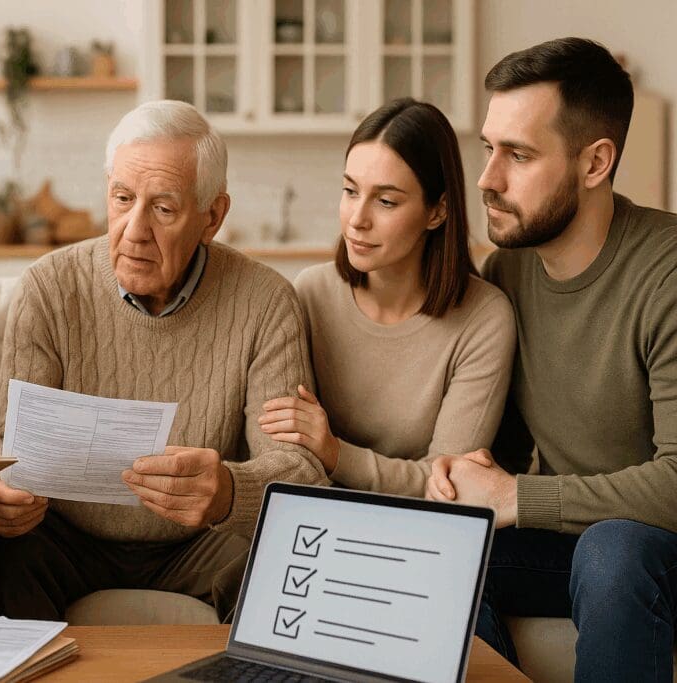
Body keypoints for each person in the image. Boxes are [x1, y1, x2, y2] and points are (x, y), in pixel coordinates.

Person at [0, 100, 328, 621]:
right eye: (122, 199)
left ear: (213, 216)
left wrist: (231, 491)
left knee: (280, 565)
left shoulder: (267, 301)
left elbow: (299, 468)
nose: (135, 230)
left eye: (163, 208)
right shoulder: (49, 288)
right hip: (64, 537)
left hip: (202, 541)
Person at [426, 37, 677, 681]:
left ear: (595, 163)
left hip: (647, 549)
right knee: (438, 550)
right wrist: (464, 478)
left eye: (519, 154)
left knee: (614, 549)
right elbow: (506, 454)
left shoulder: (667, 272)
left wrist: (516, 496)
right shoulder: (507, 273)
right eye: (489, 148)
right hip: (583, 546)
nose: (487, 179)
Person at [258, 98, 514, 497]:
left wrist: (334, 452)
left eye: (386, 201)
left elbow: (450, 484)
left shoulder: (484, 319)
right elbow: (284, 448)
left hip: (423, 531)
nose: (357, 218)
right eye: (350, 190)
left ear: (438, 211)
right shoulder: (310, 294)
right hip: (318, 518)